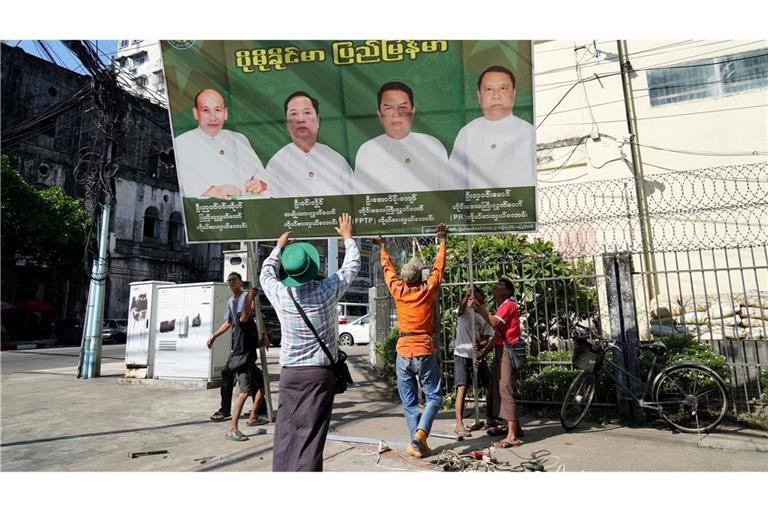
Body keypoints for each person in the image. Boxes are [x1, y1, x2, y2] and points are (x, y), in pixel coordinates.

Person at [260, 213, 360, 471]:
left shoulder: (281, 294)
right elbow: (351, 268)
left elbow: (265, 275)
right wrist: (348, 238)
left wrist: (278, 248)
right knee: (311, 435)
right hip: (318, 375)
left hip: (290, 375)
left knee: (286, 432)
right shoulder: (327, 290)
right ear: (312, 268)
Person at [371, 223, 448, 458]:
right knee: (434, 396)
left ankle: (416, 444)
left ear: (405, 279)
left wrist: (383, 248)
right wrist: (442, 242)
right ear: (419, 277)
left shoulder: (398, 290)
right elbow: (438, 268)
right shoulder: (427, 290)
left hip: (403, 351)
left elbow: (388, 271)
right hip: (423, 349)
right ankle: (420, 435)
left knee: (409, 402)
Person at [449, 65, 536, 190]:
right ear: (479, 96)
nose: (496, 96)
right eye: (489, 89)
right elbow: (453, 179)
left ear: (514, 93)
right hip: (476, 206)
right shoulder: (468, 132)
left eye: (503, 88)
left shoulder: (528, 133)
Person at [353, 81, 450, 193]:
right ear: (379, 114)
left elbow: (449, 195)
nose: (396, 114)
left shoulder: (433, 146)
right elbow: (360, 199)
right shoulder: (367, 150)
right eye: (388, 108)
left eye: (402, 107)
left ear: (412, 112)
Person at [207, 272, 271, 441]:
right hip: (242, 358)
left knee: (263, 384)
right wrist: (214, 335)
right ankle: (232, 426)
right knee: (243, 391)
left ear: (240, 282)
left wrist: (264, 336)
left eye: (234, 279)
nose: (231, 282)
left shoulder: (248, 311)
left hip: (246, 356)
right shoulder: (239, 315)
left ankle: (254, 416)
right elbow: (239, 319)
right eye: (229, 280)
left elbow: (255, 317)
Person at [174, 88, 268, 199]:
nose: (213, 117)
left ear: (225, 113)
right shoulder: (180, 143)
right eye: (206, 110)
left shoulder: (239, 139)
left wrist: (260, 183)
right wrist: (211, 190)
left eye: (217, 110)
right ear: (196, 113)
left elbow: (261, 174)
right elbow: (180, 182)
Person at [470, 278, 525, 448]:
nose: (496, 287)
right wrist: (484, 354)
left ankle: (512, 435)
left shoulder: (508, 305)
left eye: (500, 286)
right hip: (501, 350)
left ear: (507, 291)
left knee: (504, 388)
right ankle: (514, 427)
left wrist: (479, 308)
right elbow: (496, 337)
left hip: (507, 352)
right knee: (496, 387)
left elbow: (493, 322)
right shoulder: (501, 307)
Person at [265, 91, 353, 198]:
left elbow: (353, 202)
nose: (301, 119)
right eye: (294, 114)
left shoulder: (337, 161)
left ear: (318, 120)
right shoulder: (276, 163)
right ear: (286, 123)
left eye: (307, 113)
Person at [453, 285, 494, 438]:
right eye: (471, 296)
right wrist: (465, 297)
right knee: (462, 387)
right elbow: (461, 307)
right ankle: (459, 424)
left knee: (489, 385)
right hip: (462, 354)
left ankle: (490, 418)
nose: (473, 299)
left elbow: (487, 337)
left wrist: (480, 345)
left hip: (477, 356)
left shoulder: (483, 316)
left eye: (476, 296)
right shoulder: (465, 312)